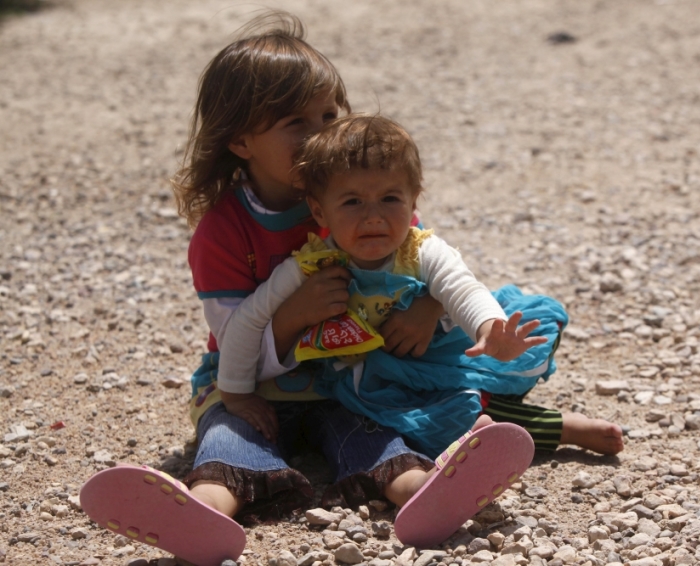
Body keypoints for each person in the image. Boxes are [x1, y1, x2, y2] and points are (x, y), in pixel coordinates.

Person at [78, 12, 535, 563]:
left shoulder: (357, 194)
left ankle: (422, 493)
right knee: (228, 437)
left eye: (328, 114)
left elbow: (431, 263)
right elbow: (234, 335)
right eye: (297, 121)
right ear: (240, 141)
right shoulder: (223, 231)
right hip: (250, 385)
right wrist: (291, 319)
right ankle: (201, 511)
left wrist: (433, 306)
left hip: (344, 380)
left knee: (372, 435)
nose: (321, 132)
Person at [217, 113, 561, 458]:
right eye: (352, 202)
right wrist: (235, 393)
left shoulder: (420, 248)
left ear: (413, 202)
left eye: (390, 199)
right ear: (320, 212)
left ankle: (524, 422)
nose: (373, 216)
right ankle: (546, 430)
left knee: (531, 333)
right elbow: (248, 319)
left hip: (443, 350)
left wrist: (488, 328)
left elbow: (462, 287)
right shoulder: (310, 266)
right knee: (417, 415)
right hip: (381, 374)